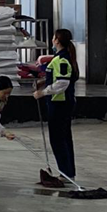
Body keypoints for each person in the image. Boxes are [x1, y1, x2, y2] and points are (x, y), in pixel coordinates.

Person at [33, 29, 78, 181]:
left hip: (60, 104)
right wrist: (43, 82)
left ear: (57, 40)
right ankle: (68, 172)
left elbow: (62, 83)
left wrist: (43, 92)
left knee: (58, 139)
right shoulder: (59, 58)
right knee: (63, 138)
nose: (52, 40)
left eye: (54, 37)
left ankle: (65, 173)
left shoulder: (62, 60)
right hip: (58, 103)